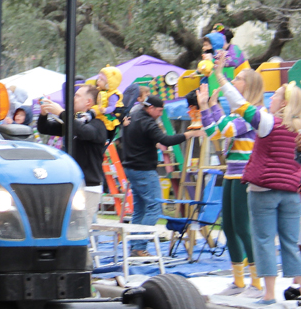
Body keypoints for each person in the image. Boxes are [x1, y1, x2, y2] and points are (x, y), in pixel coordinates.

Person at [214, 55, 301, 305]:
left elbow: (240, 104)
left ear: (284, 102)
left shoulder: (267, 122)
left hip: (264, 190)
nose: (270, 98)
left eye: (275, 96)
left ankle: (269, 293)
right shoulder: (298, 127)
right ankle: (299, 289)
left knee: (263, 239)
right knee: (291, 241)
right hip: (292, 192)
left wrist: (220, 76)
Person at [198, 69, 265, 297]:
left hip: (245, 175)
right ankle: (238, 281)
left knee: (243, 228)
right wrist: (205, 107)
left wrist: (215, 106)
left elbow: (226, 129)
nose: (234, 82)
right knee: (228, 227)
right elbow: (213, 133)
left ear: (250, 85)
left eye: (238, 79)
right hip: (231, 174)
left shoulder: (255, 112)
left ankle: (256, 282)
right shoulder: (237, 114)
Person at [120, 95, 204, 256]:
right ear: (150, 108)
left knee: (140, 209)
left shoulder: (134, 115)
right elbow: (166, 140)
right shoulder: (147, 122)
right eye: (159, 111)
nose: (160, 114)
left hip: (131, 167)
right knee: (154, 207)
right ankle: (139, 247)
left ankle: (134, 246)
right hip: (143, 169)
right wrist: (189, 135)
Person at [38, 86, 108, 224]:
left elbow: (85, 132)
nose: (73, 99)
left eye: (77, 96)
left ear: (88, 102)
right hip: (71, 183)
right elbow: (45, 128)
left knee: (81, 229)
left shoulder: (99, 124)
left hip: (88, 186)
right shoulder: (75, 123)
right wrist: (43, 113)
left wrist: (62, 113)